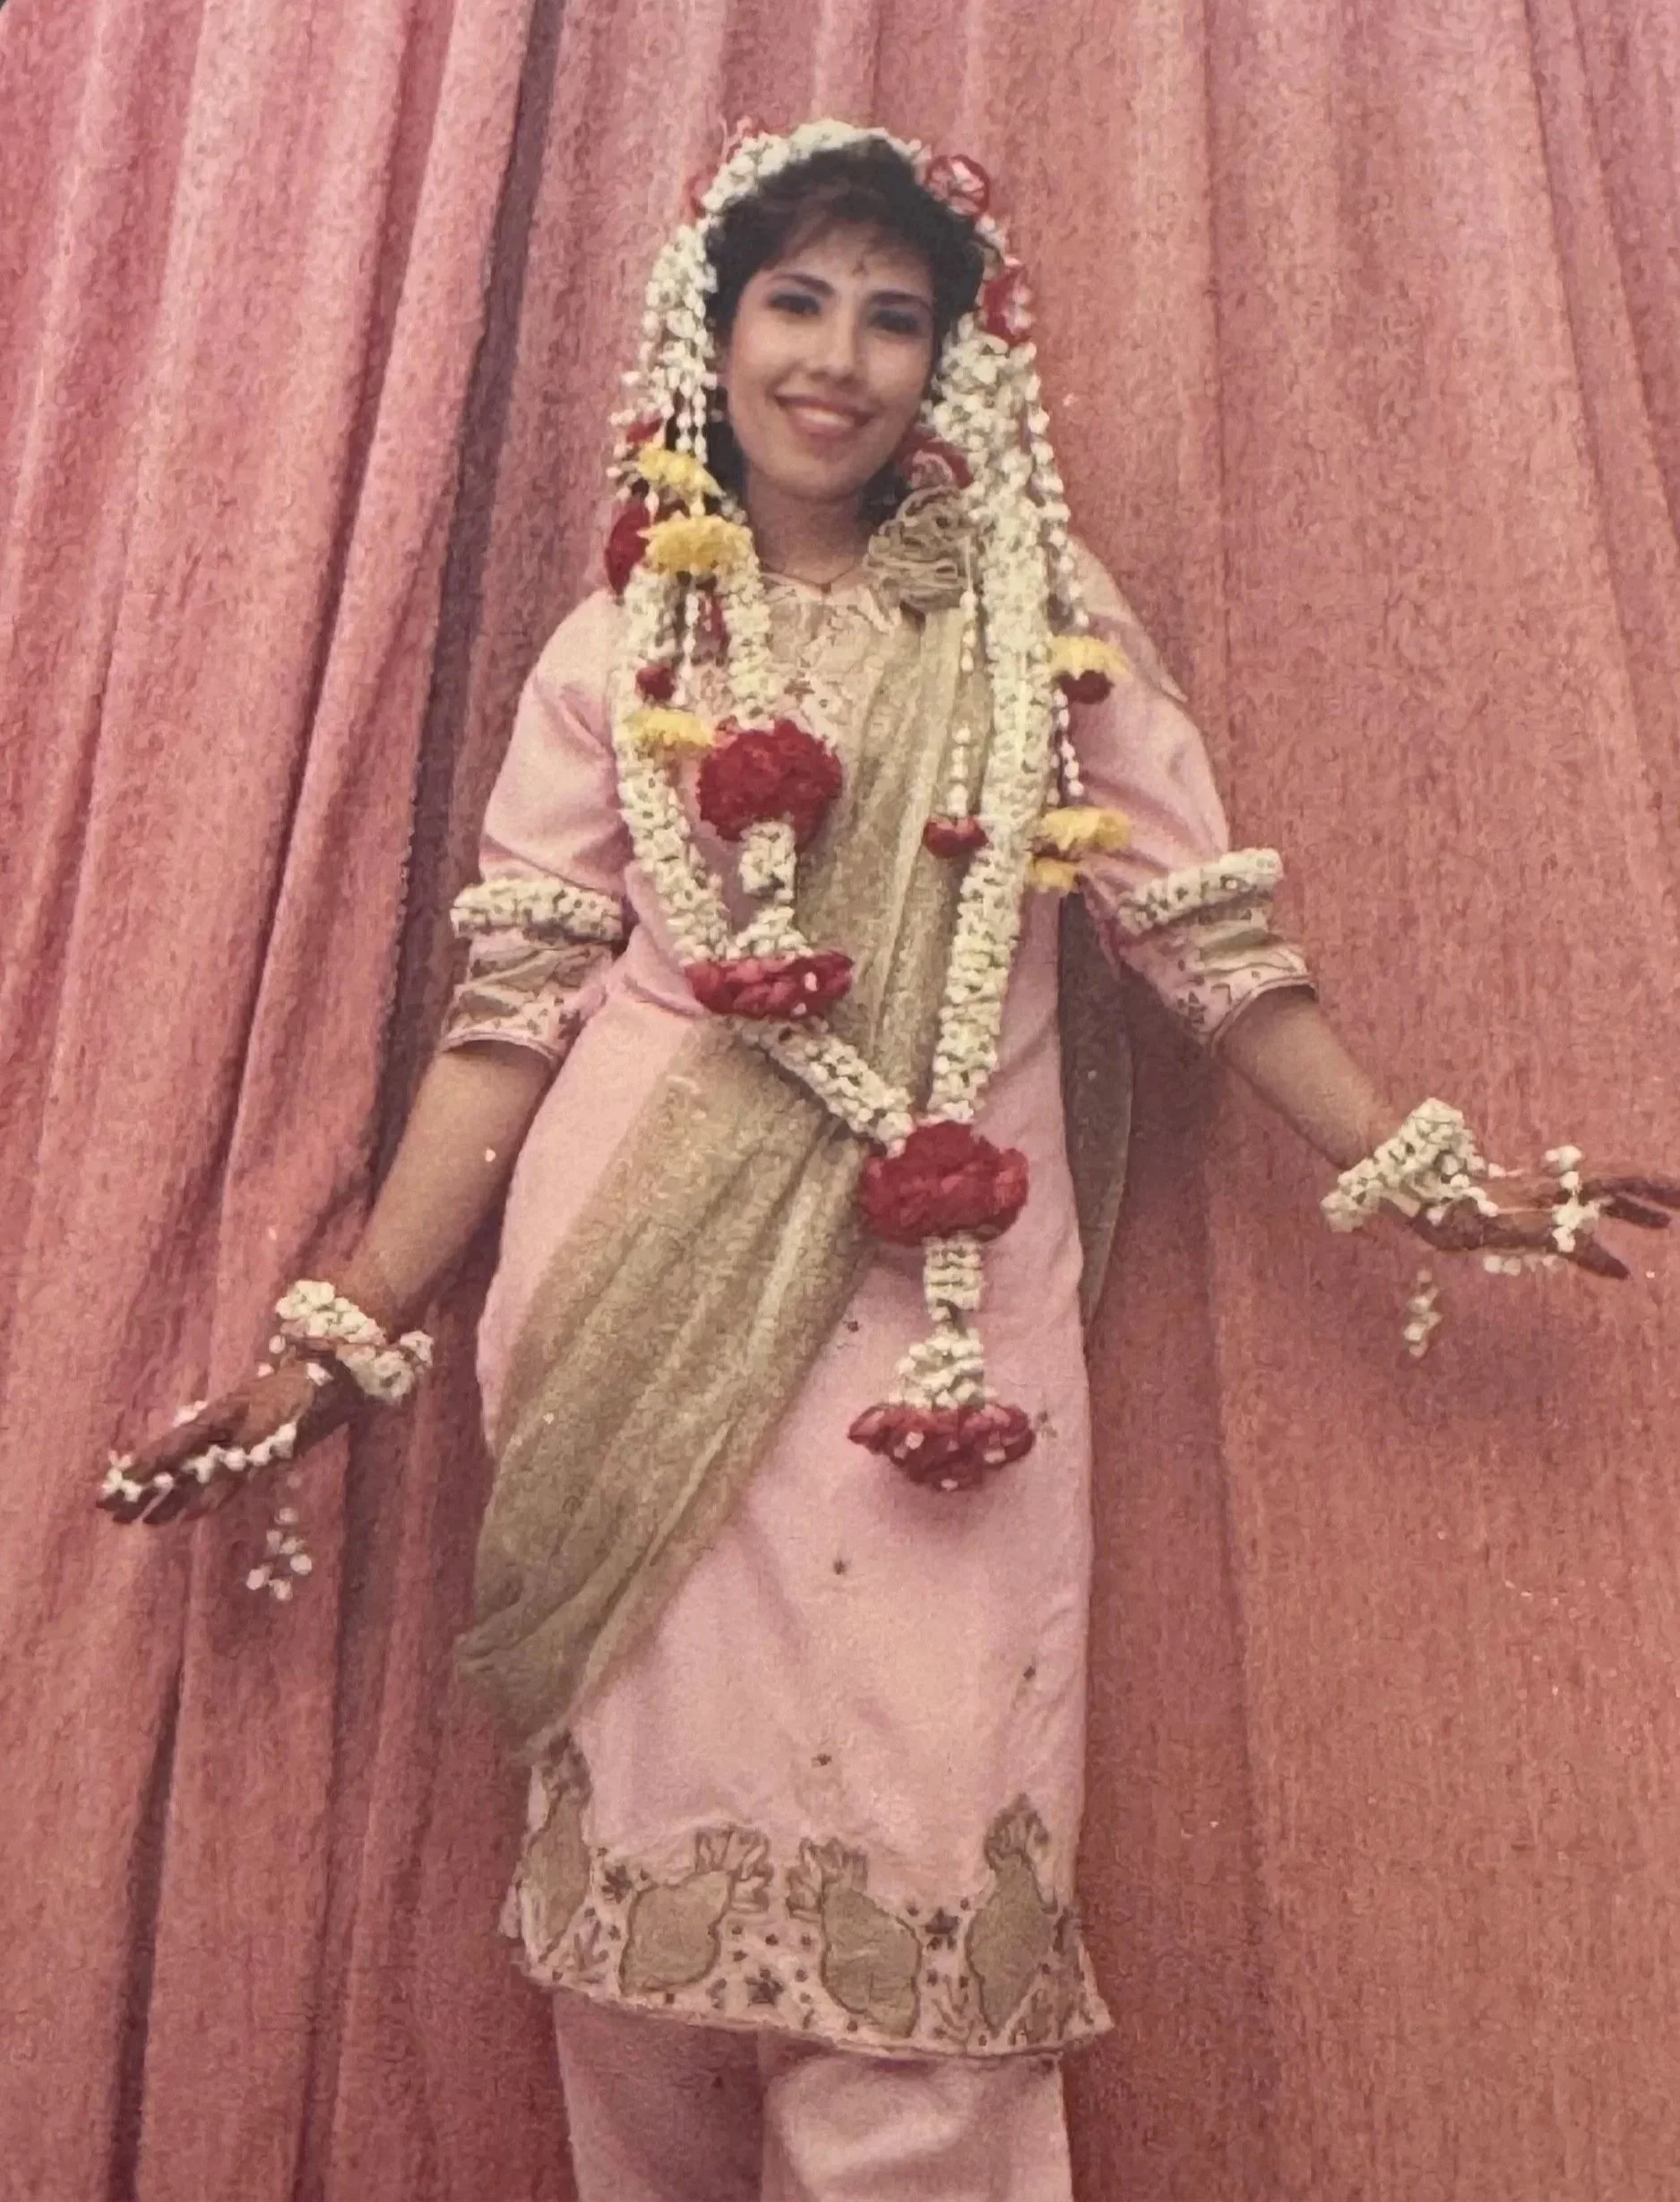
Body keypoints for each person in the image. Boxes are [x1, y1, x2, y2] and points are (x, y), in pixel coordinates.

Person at [98, 121, 1678, 2202]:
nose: (838, 357)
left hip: (945, 1340)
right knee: (647, 1957)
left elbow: (1203, 936)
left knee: (932, 1879)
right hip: (640, 1307)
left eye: (893, 315)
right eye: (796, 300)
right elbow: (507, 1027)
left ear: (951, 366)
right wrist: (339, 1332)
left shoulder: (1040, 626)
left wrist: (1414, 1164)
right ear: (714, 331)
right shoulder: (627, 654)